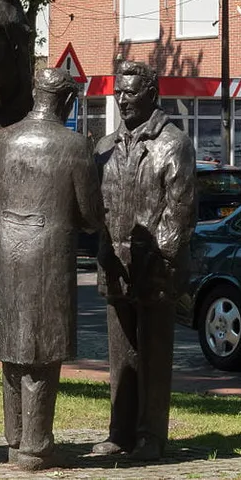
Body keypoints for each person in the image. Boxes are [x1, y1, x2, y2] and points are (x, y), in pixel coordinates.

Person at [0, 68, 103, 470]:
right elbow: (91, 215)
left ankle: (15, 440)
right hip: (49, 258)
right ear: (65, 101)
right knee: (43, 353)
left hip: (8, 257)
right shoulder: (75, 145)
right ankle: (36, 444)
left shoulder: (3, 139)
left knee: (13, 349)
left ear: (35, 95)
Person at [92, 60, 196, 460]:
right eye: (119, 92)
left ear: (152, 94)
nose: (122, 99)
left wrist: (160, 259)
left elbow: (181, 210)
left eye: (131, 92)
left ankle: (151, 434)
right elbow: (96, 205)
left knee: (153, 353)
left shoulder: (174, 144)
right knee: (121, 353)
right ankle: (119, 431)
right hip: (116, 263)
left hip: (156, 268)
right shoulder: (104, 147)